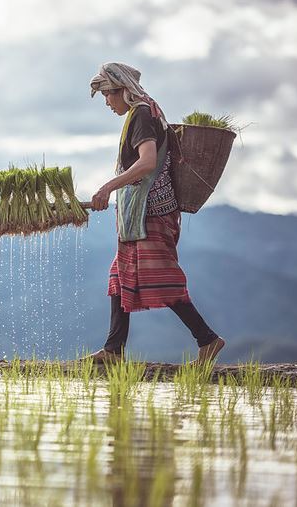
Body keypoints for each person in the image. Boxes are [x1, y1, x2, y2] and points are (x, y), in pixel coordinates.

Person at [86, 62, 225, 364]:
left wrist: (108, 187)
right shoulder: (147, 111)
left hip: (151, 213)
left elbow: (147, 162)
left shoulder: (142, 114)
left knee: (163, 277)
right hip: (142, 213)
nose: (107, 102)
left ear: (123, 90)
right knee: (120, 275)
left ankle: (208, 339)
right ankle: (113, 350)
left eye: (108, 94)